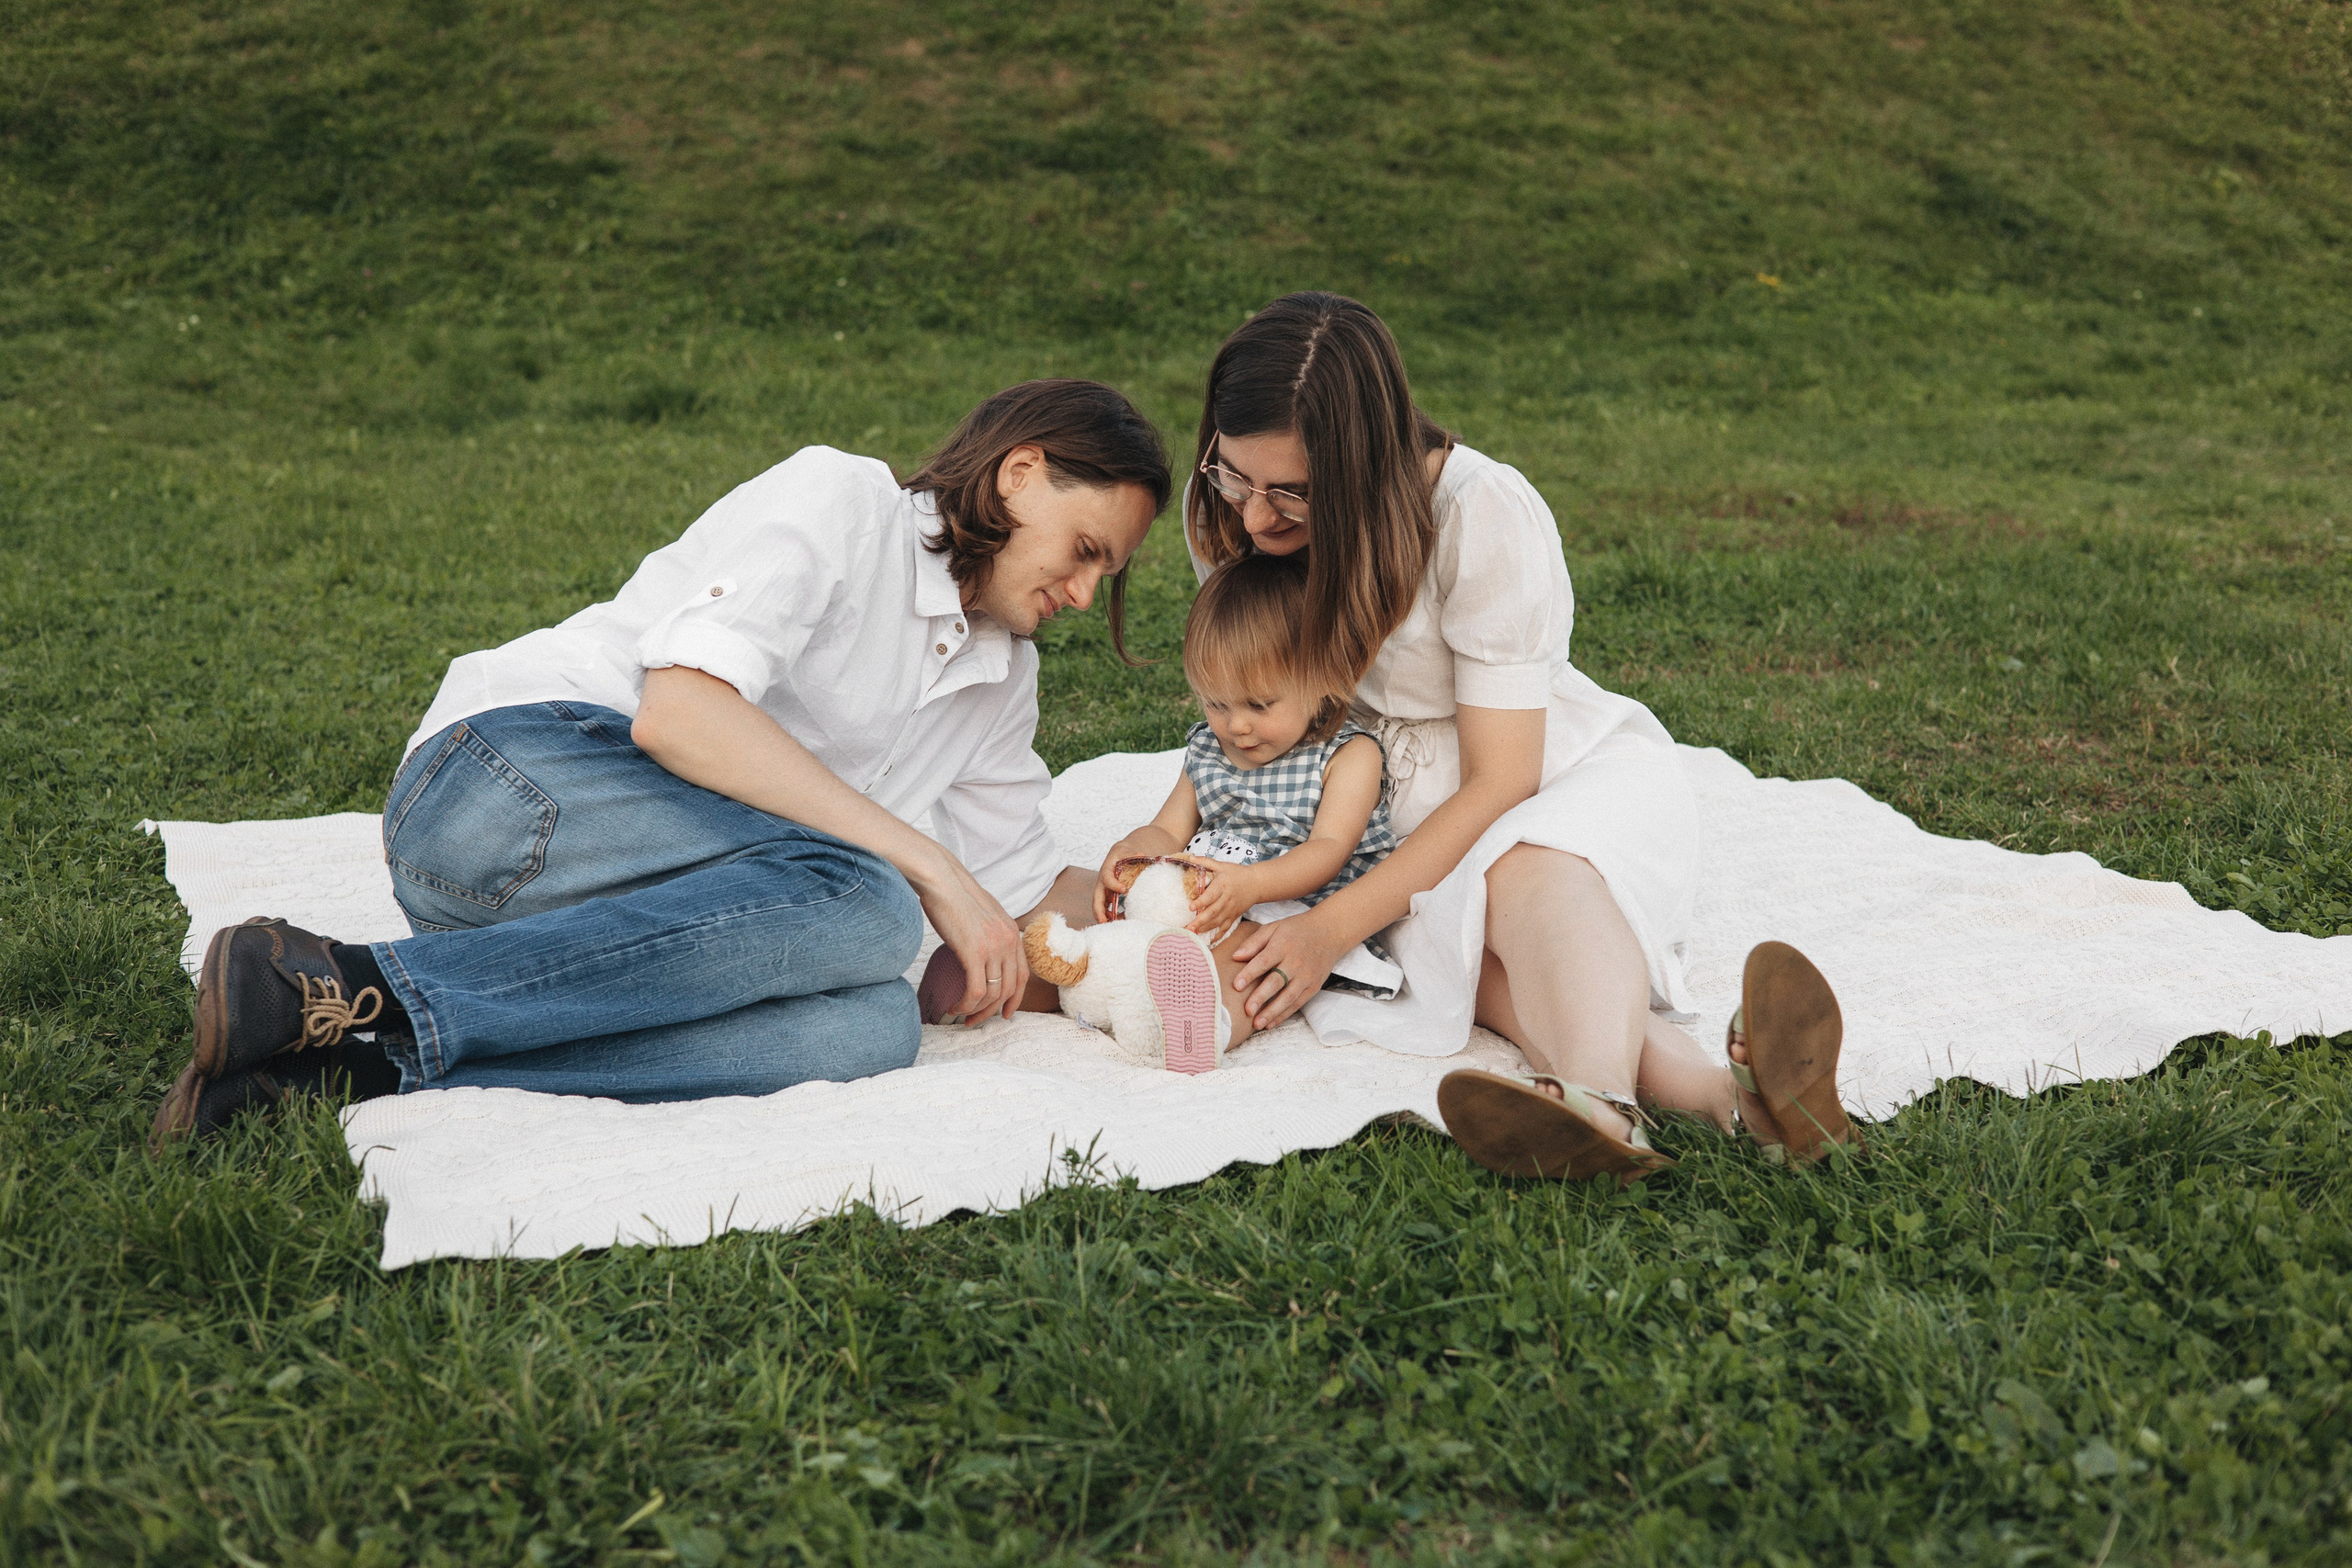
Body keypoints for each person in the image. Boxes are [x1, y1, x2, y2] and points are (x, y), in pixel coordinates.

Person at [151, 379, 1168, 1145]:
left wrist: (1183, 904)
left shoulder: (1000, 681)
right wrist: (931, 867)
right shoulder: (846, 504)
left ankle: (343, 1059)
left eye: (1104, 575)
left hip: (604, 924)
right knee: (872, 902)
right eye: (1084, 550)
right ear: (1020, 473)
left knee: (867, 1029)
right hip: (506, 785)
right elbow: (680, 716)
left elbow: (1026, 895)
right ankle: (360, 977)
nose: (1083, 594)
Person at [1182, 293, 1860, 1181]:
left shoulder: (1479, 514)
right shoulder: (1239, 513)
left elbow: (1503, 781)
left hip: (1539, 778)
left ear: (1363, 473)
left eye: (1295, 494)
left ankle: (1598, 1109)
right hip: (1374, 810)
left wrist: (1330, 926)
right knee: (1483, 976)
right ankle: (1744, 1108)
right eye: (1236, 476)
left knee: (1527, 875)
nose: (1258, 518)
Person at [1081, 551, 1403, 1060]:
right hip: (1212, 899)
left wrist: (1251, 886)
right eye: (1216, 703)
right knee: (1108, 929)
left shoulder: (1347, 754)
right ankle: (1045, 979)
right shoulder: (1210, 748)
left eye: (1258, 704)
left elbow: (1328, 851)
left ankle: (1207, 1027)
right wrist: (1129, 855)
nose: (1236, 726)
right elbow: (1167, 830)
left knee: (1246, 960)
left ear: (1321, 679)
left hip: (1293, 911)